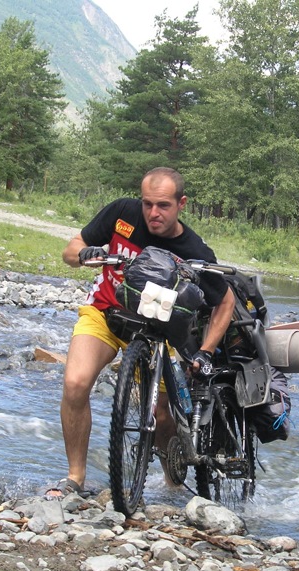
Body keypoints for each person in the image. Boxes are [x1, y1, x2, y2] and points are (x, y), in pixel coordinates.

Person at [53, 167, 236, 497]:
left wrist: (206, 351)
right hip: (106, 313)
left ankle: (172, 486)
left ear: (182, 203)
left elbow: (225, 302)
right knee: (75, 382)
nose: (153, 213)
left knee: (161, 416)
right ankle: (74, 478)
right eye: (148, 204)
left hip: (160, 334)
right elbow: (71, 249)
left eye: (163, 205)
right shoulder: (122, 213)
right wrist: (83, 255)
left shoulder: (193, 248)